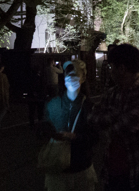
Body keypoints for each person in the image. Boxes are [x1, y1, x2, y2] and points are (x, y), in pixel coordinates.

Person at [89, 43, 139, 191]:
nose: (110, 71)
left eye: (111, 67)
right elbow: (93, 117)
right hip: (112, 171)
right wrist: (118, 115)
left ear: (121, 68)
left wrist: (108, 121)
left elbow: (131, 123)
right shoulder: (112, 93)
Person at [39, 60, 98, 191]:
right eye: (68, 75)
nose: (71, 79)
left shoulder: (89, 107)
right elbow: (43, 128)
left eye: (75, 76)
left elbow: (95, 137)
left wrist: (75, 137)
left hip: (81, 169)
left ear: (83, 78)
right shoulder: (53, 103)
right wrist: (49, 133)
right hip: (57, 170)